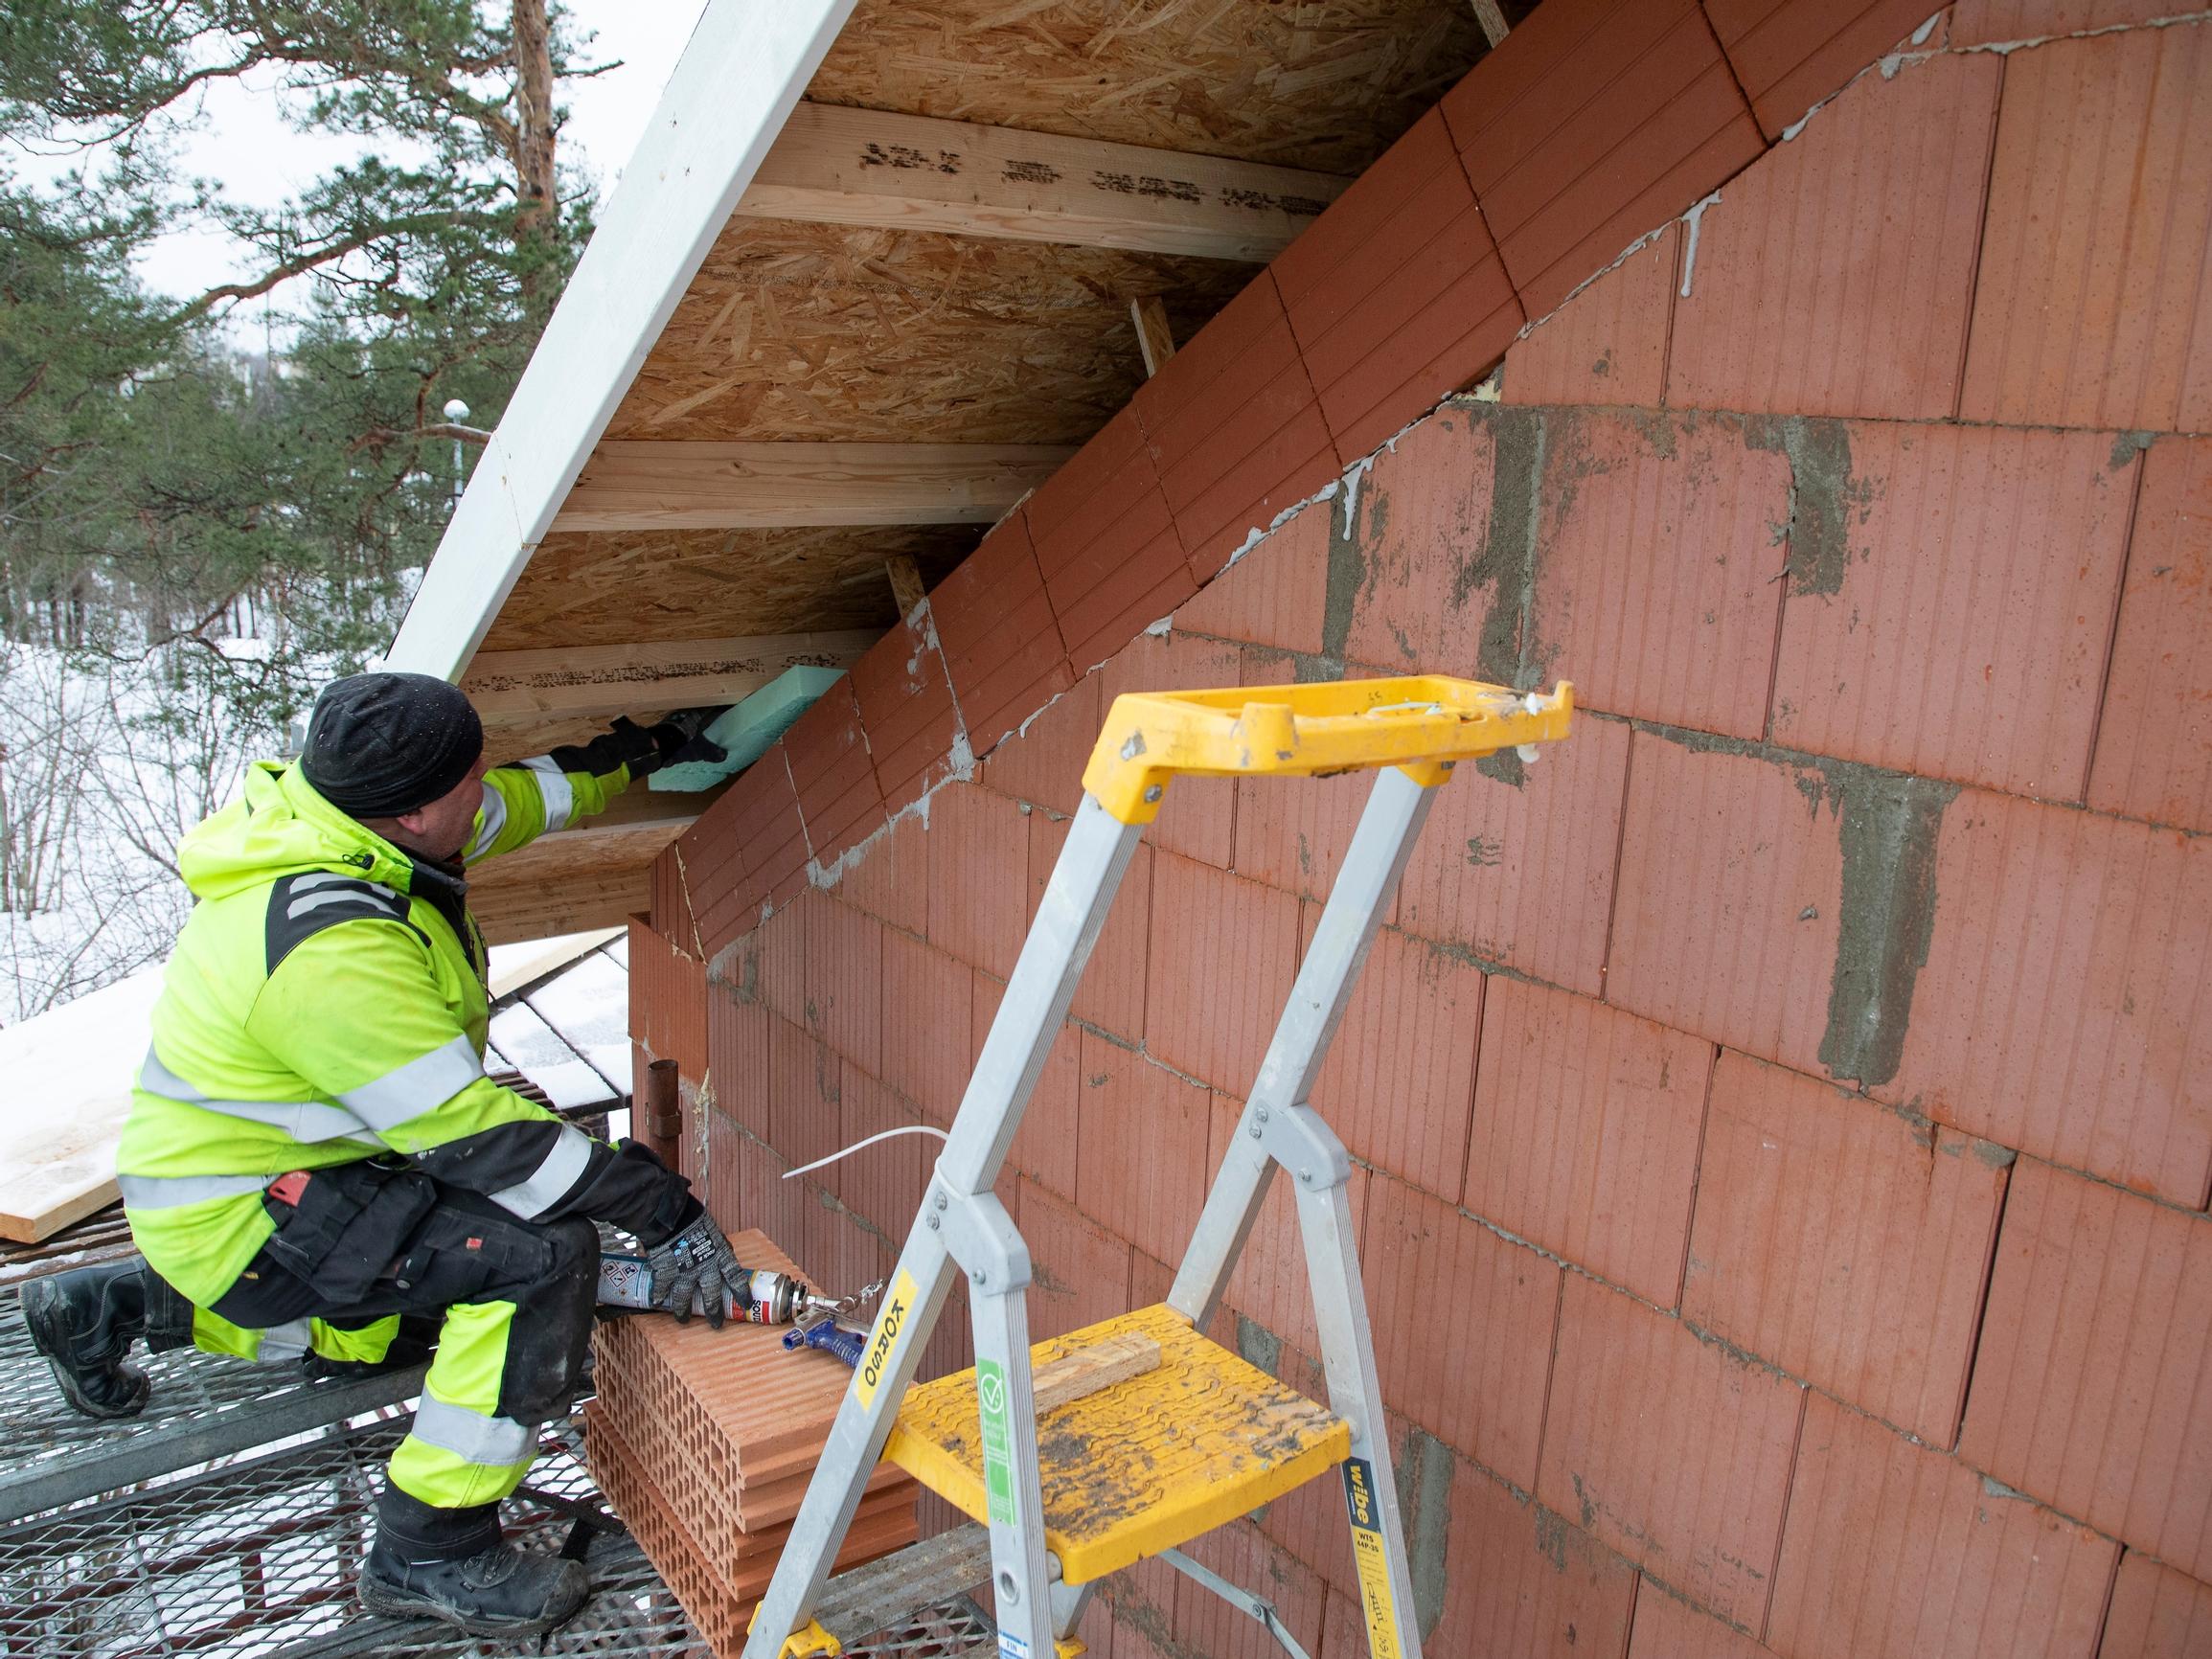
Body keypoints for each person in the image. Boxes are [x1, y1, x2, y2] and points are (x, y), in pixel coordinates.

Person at [19, 671, 748, 1638]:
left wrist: (645, 750)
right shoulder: (329, 951)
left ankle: (112, 1303)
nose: (481, 792)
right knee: (540, 1262)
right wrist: (664, 1209)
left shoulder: (354, 827)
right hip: (246, 1217)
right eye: (464, 783)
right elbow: (482, 1140)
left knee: (424, 1307)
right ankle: (430, 1545)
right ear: (411, 812)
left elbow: (525, 797)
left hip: (243, 1183)